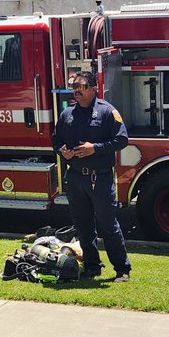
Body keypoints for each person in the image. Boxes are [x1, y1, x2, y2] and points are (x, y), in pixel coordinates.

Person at [52, 71, 131, 281]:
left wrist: (95, 148)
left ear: (94, 87)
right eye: (74, 87)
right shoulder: (67, 114)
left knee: (107, 224)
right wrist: (63, 151)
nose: (77, 91)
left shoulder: (107, 111)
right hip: (76, 177)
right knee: (83, 226)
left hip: (100, 178)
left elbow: (122, 140)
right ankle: (92, 267)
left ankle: (122, 270)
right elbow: (56, 140)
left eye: (82, 86)